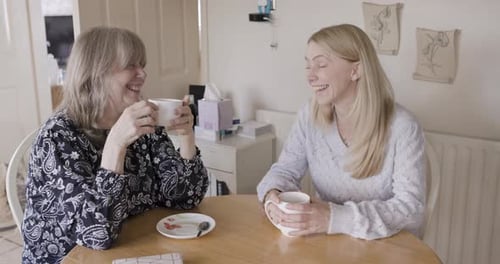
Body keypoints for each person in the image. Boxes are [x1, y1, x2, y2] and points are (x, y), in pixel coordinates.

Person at [22, 26, 208, 263]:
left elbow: (184, 198)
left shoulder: (141, 120)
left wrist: (186, 137)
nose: (142, 73)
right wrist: (116, 144)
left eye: (142, 64)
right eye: (131, 64)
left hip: (132, 249)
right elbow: (97, 234)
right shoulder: (58, 138)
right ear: (96, 73)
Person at [257, 24, 425, 240]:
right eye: (308, 66)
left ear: (355, 71)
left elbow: (410, 210)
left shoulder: (403, 127)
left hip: (387, 246)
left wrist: (332, 218)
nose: (310, 77)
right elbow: (284, 171)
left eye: (321, 65)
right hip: (329, 243)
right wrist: (273, 196)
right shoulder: (309, 115)